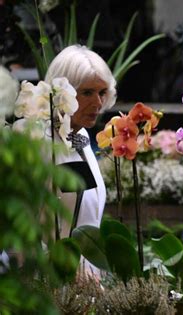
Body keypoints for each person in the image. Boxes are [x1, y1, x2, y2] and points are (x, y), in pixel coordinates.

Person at [45, 45, 116, 275]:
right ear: (61, 93)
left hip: (86, 282)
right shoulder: (39, 141)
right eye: (87, 92)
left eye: (102, 92)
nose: (97, 103)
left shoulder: (82, 136)